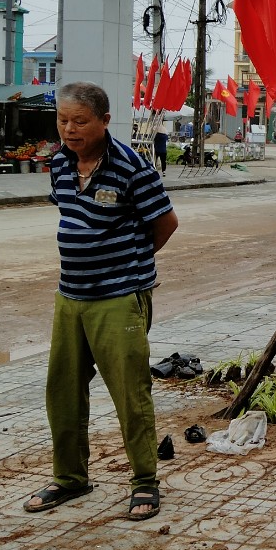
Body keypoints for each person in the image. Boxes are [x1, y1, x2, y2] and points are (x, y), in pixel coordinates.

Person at [24, 82, 178, 521]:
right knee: (63, 391)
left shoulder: (133, 168)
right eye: (62, 120)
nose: (69, 129)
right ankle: (71, 479)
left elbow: (165, 224)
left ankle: (145, 482)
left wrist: (128, 264)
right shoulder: (59, 163)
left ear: (105, 122)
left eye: (80, 121)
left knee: (130, 393)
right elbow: (70, 216)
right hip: (70, 295)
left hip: (119, 299)